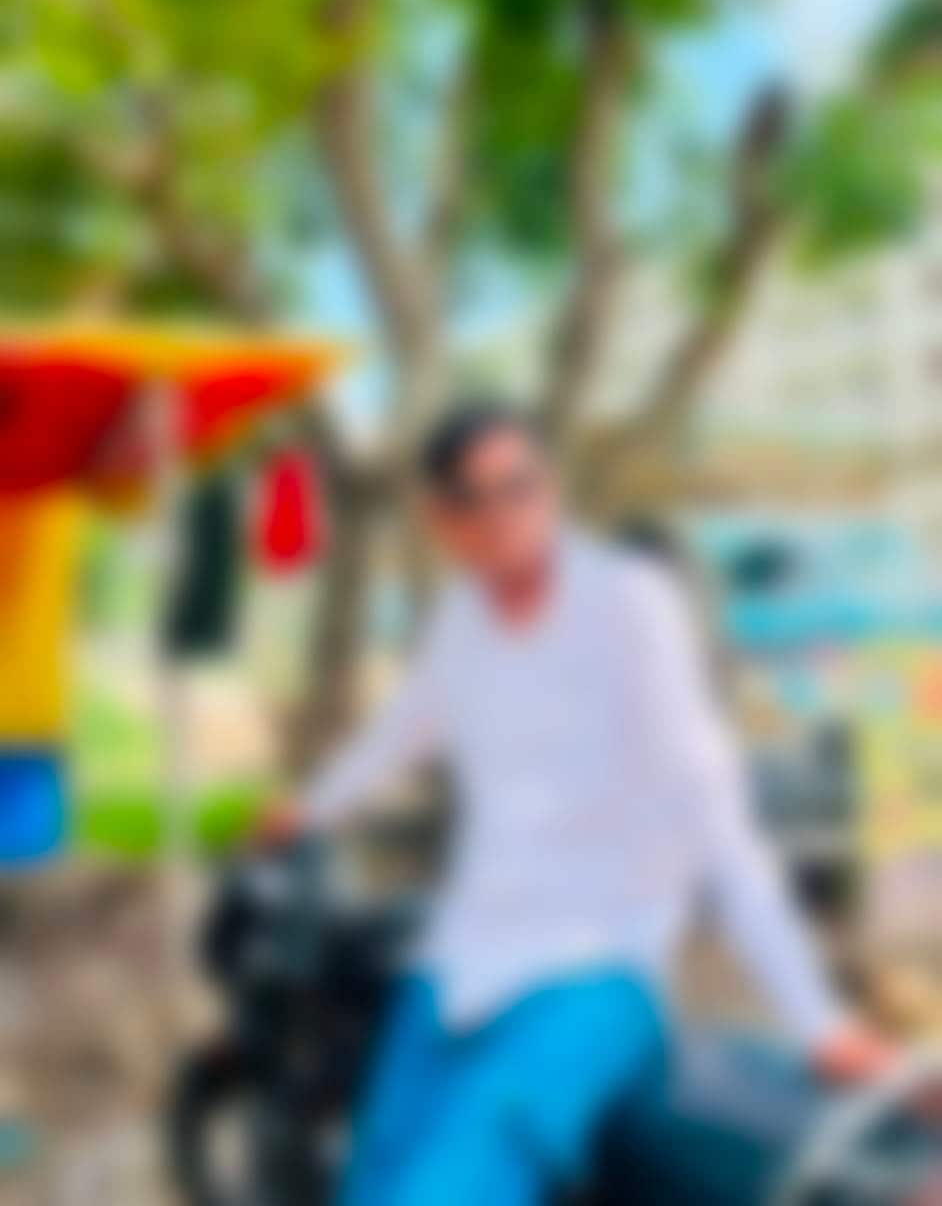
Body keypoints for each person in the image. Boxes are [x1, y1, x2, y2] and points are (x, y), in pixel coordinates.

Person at [260, 402, 896, 1206]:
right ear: (442, 522)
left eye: (520, 488)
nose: (504, 516)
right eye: (474, 499)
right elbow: (399, 733)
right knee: (373, 1174)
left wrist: (819, 1023)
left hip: (596, 973)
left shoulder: (629, 605)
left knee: (452, 1183)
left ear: (551, 488)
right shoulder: (460, 620)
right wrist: (309, 809)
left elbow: (718, 825)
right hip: (460, 965)